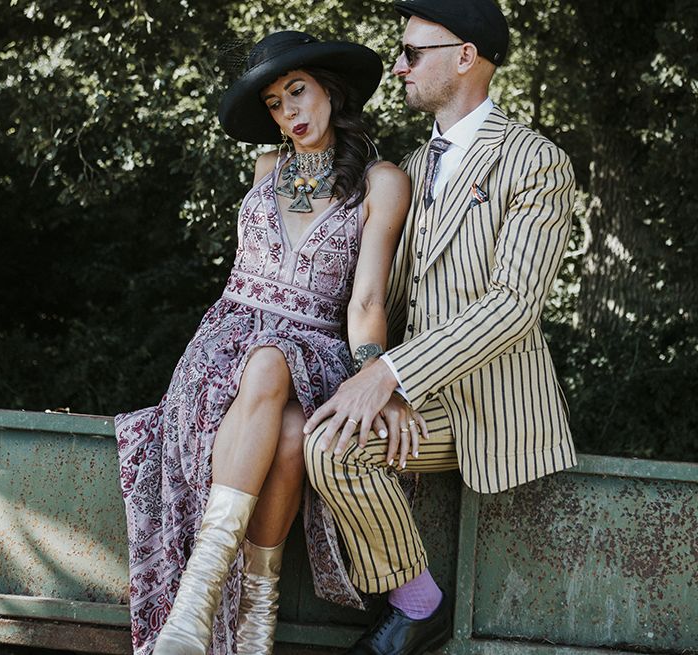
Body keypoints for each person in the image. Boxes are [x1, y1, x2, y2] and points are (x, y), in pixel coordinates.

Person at [115, 31, 411, 655]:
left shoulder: (382, 181)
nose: (290, 112)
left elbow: (365, 302)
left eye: (297, 91)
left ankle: (199, 602)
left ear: (329, 87)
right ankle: (250, 627)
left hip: (314, 350)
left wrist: (372, 376)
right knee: (282, 415)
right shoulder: (265, 169)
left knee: (280, 379)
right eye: (275, 103)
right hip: (226, 345)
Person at [302, 1, 578, 653]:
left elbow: (513, 303)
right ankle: (417, 597)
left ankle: (417, 612)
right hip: (420, 399)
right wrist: (378, 379)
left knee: (331, 445)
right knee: (324, 438)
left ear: (464, 58)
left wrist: (392, 373)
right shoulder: (415, 166)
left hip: (490, 405)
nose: (398, 67)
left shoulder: (537, 161)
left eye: (412, 53)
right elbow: (390, 296)